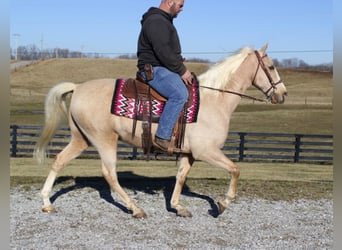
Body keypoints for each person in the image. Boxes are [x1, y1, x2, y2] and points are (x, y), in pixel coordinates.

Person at [137, 0, 193, 151]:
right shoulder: (157, 21)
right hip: (155, 69)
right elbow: (163, 51)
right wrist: (182, 70)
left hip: (163, 68)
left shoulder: (162, 20)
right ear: (169, 2)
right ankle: (162, 137)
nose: (181, 9)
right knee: (180, 93)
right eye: (180, 5)